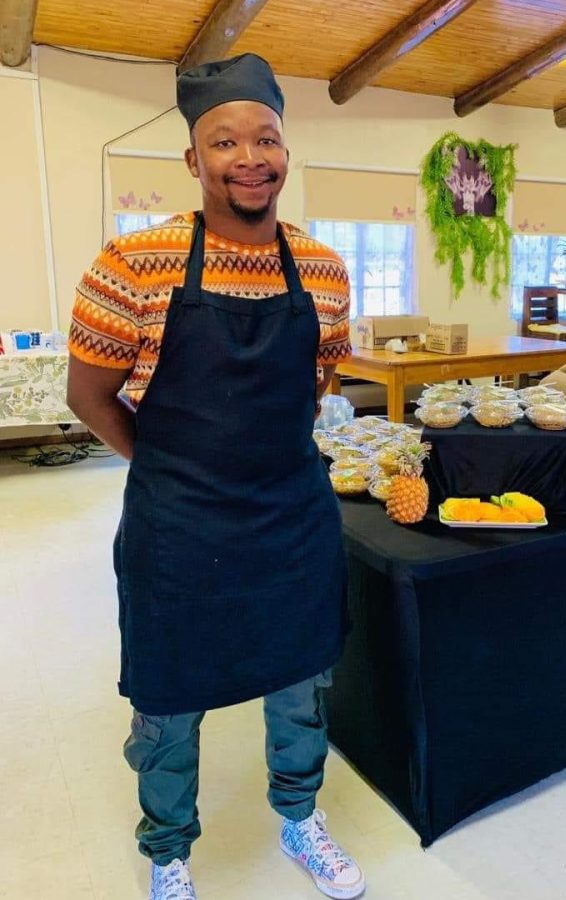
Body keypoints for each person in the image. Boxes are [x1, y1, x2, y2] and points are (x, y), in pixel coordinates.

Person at [67, 53, 365, 900]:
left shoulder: (324, 270)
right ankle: (167, 852)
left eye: (265, 137)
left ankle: (300, 817)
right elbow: (87, 395)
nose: (249, 157)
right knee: (169, 702)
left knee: (301, 682)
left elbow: (319, 379)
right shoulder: (133, 265)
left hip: (292, 521)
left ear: (284, 152)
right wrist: (165, 465)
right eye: (224, 140)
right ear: (194, 160)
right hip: (179, 527)